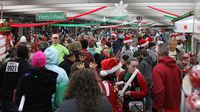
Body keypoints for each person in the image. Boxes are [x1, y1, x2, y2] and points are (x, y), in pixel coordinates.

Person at [0, 45, 32, 112]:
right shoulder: (28, 67)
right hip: (19, 101)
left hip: (5, 98)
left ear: (17, 53)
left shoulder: (6, 64)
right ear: (27, 55)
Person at [152, 43, 182, 112]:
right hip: (175, 105)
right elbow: (179, 84)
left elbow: (159, 90)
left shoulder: (157, 69)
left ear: (158, 53)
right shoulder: (176, 67)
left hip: (163, 107)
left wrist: (160, 107)